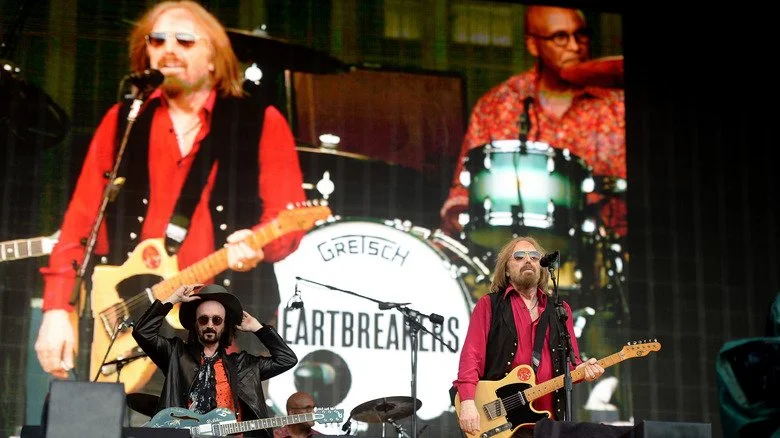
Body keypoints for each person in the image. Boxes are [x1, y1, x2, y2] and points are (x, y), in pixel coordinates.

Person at [34, 0, 306, 379]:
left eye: (185, 40)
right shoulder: (123, 121)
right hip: (133, 322)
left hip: (223, 328)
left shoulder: (261, 122)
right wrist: (56, 309)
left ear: (214, 56)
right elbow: (81, 224)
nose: (169, 49)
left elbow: (287, 222)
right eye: (157, 40)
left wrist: (257, 245)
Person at [440, 5, 625, 238]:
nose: (575, 47)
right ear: (532, 45)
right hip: (513, 248)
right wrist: (458, 212)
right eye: (560, 37)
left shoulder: (617, 107)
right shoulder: (498, 105)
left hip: (600, 248)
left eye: (581, 35)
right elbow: (465, 188)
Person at [453, 236, 605, 437]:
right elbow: (471, 357)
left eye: (534, 256)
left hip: (548, 425)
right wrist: (468, 402)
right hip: (503, 423)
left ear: (541, 266)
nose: (528, 260)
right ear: (506, 269)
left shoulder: (560, 310)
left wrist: (583, 369)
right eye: (519, 256)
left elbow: (570, 367)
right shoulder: (490, 305)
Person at [133, 283, 297, 438]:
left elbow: (286, 359)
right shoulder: (176, 354)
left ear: (225, 325)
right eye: (203, 319)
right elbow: (142, 332)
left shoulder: (243, 365)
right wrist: (173, 299)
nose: (210, 325)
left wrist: (259, 329)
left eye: (217, 320)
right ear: (196, 324)